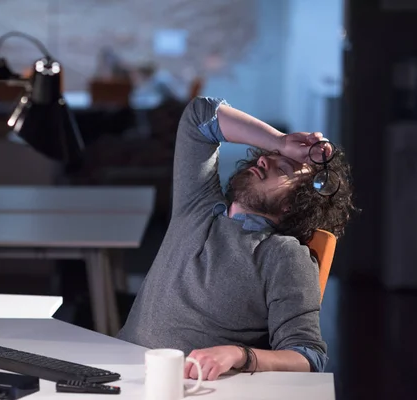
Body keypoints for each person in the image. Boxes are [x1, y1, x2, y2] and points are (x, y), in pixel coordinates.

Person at [116, 96, 356, 380]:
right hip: (118, 369)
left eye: (282, 169)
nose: (265, 158)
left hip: (185, 387)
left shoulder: (283, 254)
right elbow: (199, 116)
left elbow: (308, 355)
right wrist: (280, 142)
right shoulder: (197, 206)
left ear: (295, 204)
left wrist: (239, 354)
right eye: (267, 154)